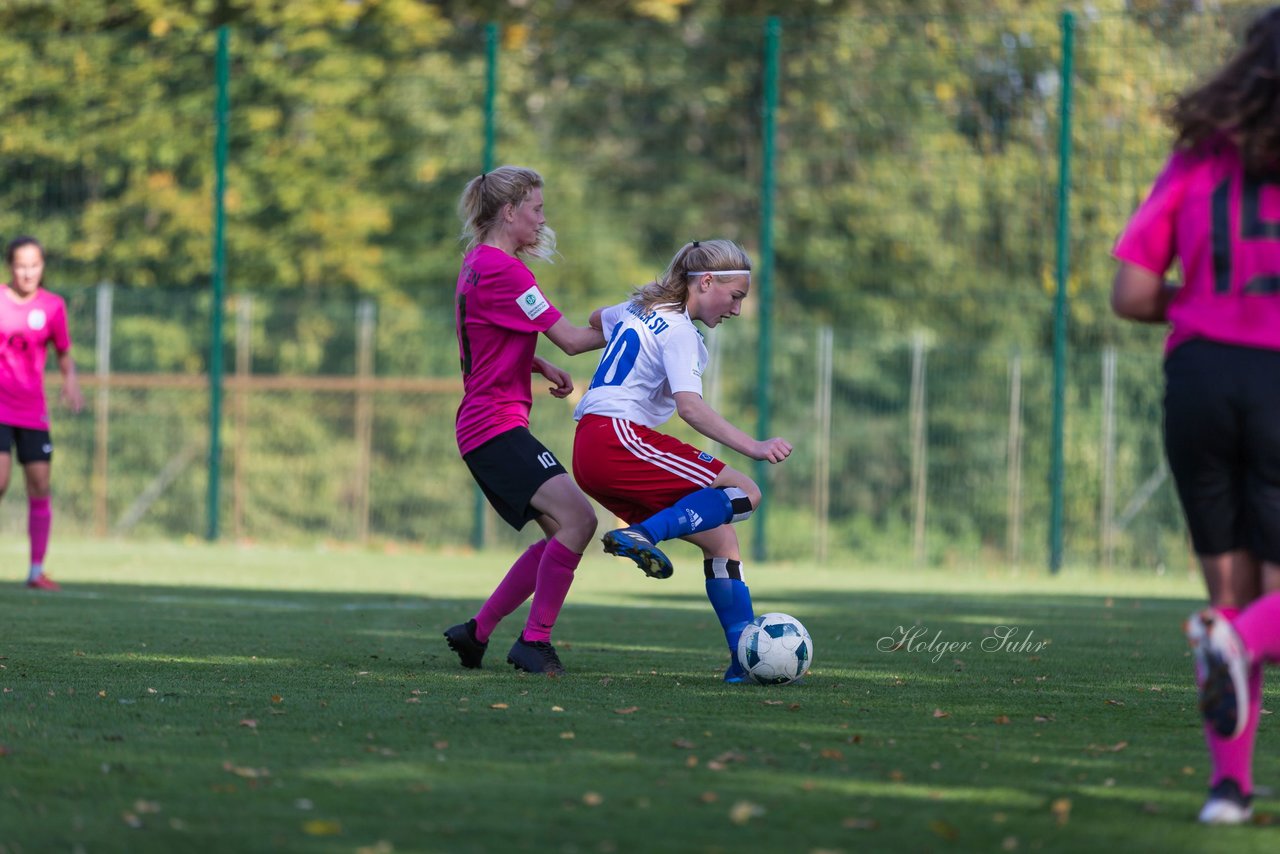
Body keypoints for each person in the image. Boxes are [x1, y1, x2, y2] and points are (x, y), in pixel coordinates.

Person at [1110, 5, 1280, 825]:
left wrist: (1212, 304)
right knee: (1254, 625)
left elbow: (1133, 294)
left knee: (1233, 597)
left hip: (1201, 378)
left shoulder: (1199, 155)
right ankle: (1242, 648)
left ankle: (1229, 791)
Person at [571, 239, 793, 682]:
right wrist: (754, 446)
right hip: (619, 436)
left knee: (721, 542)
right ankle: (643, 535)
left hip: (589, 445)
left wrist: (625, 315)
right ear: (705, 282)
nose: (736, 309)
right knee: (746, 491)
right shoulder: (679, 331)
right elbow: (690, 408)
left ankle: (742, 663)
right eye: (735, 296)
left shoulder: (640, 308)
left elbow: (597, 319)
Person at [442, 166, 605, 677]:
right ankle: (533, 643)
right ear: (509, 212)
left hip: (484, 424)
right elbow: (577, 340)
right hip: (494, 427)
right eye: (535, 208)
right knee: (579, 520)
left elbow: (485, 337)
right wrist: (643, 317)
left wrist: (535, 362)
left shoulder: (476, 263)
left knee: (562, 529)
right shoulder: (509, 272)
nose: (542, 219)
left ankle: (476, 633)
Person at [1, 236, 84, 591]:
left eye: (34, 265)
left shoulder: (53, 307)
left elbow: (63, 353)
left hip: (32, 410)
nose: (28, 272)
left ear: (42, 266)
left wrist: (71, 382)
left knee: (40, 484)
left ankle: (36, 570)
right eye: (21, 265)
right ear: (11, 266)